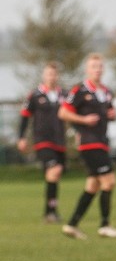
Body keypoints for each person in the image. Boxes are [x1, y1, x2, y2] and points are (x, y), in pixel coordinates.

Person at [58, 53, 116, 239]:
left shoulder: (107, 91)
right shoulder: (80, 90)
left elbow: (111, 112)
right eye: (94, 66)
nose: (98, 69)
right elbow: (63, 113)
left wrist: (113, 115)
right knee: (109, 181)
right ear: (87, 70)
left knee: (93, 186)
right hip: (88, 143)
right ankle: (105, 225)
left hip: (102, 142)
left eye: (100, 66)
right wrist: (83, 119)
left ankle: (72, 225)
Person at [17, 62, 67, 223]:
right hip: (42, 140)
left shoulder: (64, 95)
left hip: (59, 140)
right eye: (49, 74)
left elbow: (73, 113)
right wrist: (21, 137)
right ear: (44, 76)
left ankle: (50, 211)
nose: (51, 77)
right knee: (55, 170)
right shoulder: (35, 95)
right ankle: (50, 212)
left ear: (57, 76)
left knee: (53, 175)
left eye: (54, 74)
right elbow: (25, 116)